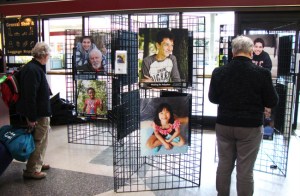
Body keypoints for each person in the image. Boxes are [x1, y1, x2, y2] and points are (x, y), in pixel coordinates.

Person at [208, 35, 279, 196]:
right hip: (250, 127)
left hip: (224, 124)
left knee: (224, 165)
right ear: (251, 52)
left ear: (233, 52)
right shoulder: (262, 74)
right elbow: (272, 100)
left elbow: (213, 98)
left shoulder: (219, 72)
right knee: (245, 169)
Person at [16, 42, 52, 179]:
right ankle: (31, 170)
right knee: (38, 140)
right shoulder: (33, 70)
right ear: (44, 55)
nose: (49, 57)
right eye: (48, 54)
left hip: (42, 111)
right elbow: (30, 96)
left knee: (43, 139)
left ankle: (38, 163)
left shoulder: (34, 67)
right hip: (38, 113)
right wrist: (31, 118)